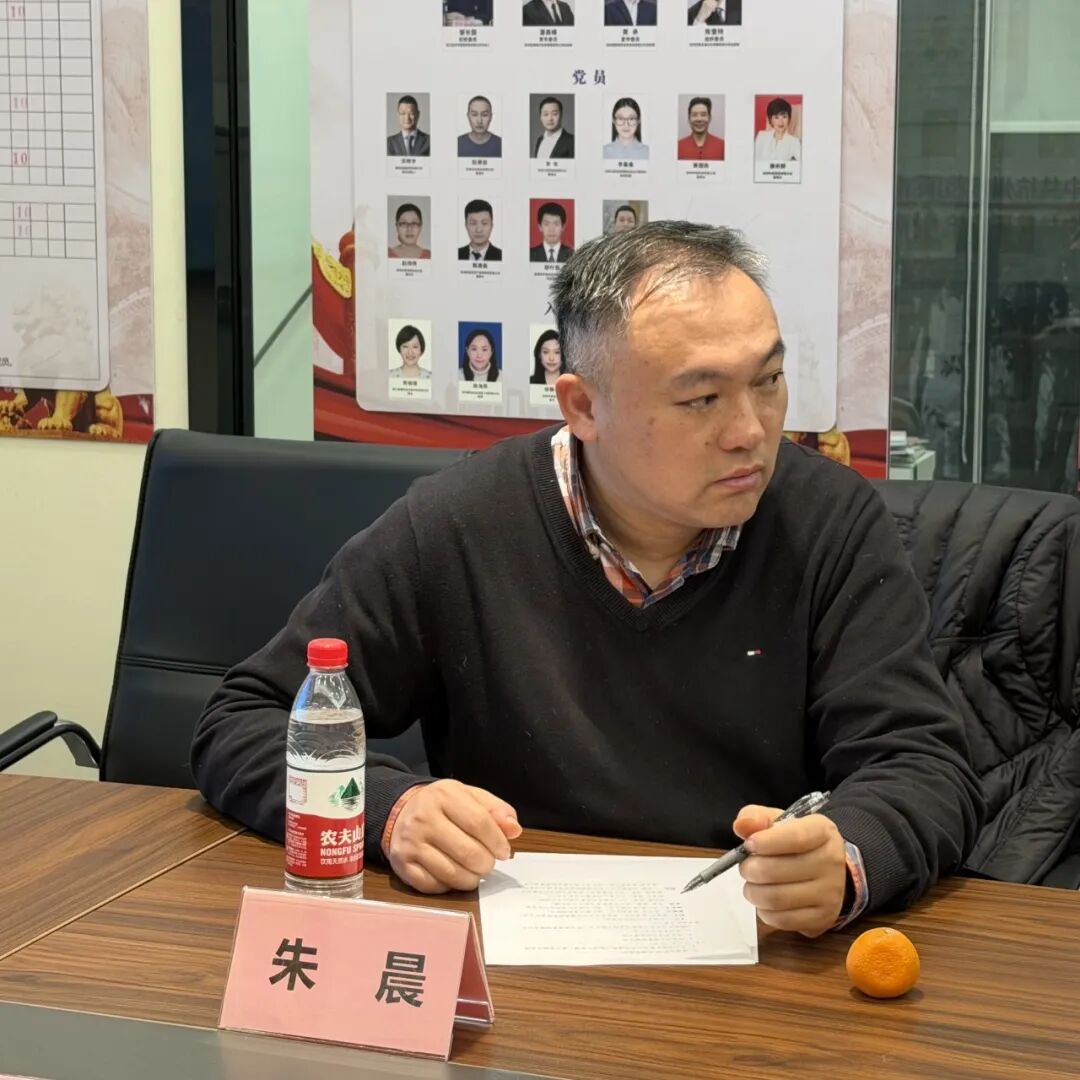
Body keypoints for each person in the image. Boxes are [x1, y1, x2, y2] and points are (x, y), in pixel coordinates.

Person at [193, 221, 983, 939]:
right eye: (702, 398)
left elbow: (923, 765)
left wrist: (847, 856)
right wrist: (390, 810)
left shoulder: (828, 523)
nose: (750, 430)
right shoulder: (460, 524)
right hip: (514, 962)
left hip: (752, 959)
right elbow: (245, 721)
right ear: (582, 407)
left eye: (768, 381)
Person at [677, 97, 725, 161]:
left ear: (709, 118)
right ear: (689, 119)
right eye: (694, 115)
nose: (699, 119)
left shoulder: (722, 146)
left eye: (703, 115)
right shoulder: (678, 147)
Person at [755, 98, 801, 162]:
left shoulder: (794, 142)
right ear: (770, 119)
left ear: (789, 118)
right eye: (776, 117)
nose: (780, 122)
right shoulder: (761, 136)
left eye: (784, 117)